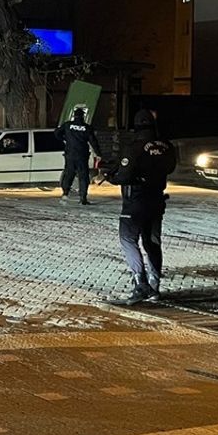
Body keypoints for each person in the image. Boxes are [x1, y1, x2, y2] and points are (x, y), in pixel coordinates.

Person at [105, 109, 177, 305]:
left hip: (135, 202)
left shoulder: (134, 148)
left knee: (128, 239)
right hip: (157, 201)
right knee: (152, 243)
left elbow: (124, 175)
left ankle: (140, 283)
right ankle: (154, 287)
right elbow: (170, 167)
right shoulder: (167, 146)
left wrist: (112, 177)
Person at [55, 107, 104, 205]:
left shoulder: (68, 125)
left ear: (74, 115)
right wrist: (98, 154)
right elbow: (93, 142)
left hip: (70, 155)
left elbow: (56, 133)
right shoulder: (87, 128)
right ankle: (83, 198)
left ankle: (65, 193)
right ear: (83, 116)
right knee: (83, 177)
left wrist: (64, 139)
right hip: (82, 156)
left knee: (69, 174)